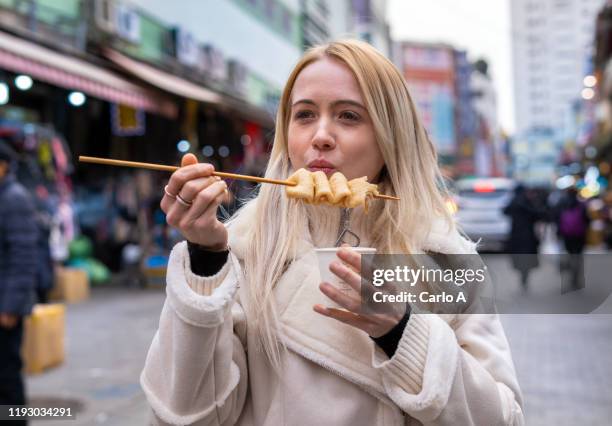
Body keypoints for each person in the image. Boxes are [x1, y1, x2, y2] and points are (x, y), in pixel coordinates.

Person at [141, 40, 524, 425]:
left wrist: (402, 332)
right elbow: (188, 414)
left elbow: (503, 418)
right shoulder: (244, 249)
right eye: (304, 115)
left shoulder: (444, 256)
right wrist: (205, 260)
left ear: (390, 135)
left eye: (349, 116)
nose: (321, 135)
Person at [0, 141, 39, 422]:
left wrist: (11, 308)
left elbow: (24, 255)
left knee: (6, 375)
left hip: (5, 307)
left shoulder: (14, 197)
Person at [503, 184, 547, 289]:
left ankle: (523, 276)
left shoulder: (514, 202)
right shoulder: (526, 202)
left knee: (520, 258)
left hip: (517, 235)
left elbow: (505, 211)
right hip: (527, 236)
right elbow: (538, 215)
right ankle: (524, 276)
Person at [556, 187, 590, 290]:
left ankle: (571, 272)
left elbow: (555, 218)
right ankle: (576, 276)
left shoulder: (561, 204)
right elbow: (587, 220)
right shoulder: (581, 205)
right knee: (578, 255)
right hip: (579, 235)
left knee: (569, 254)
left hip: (566, 235)